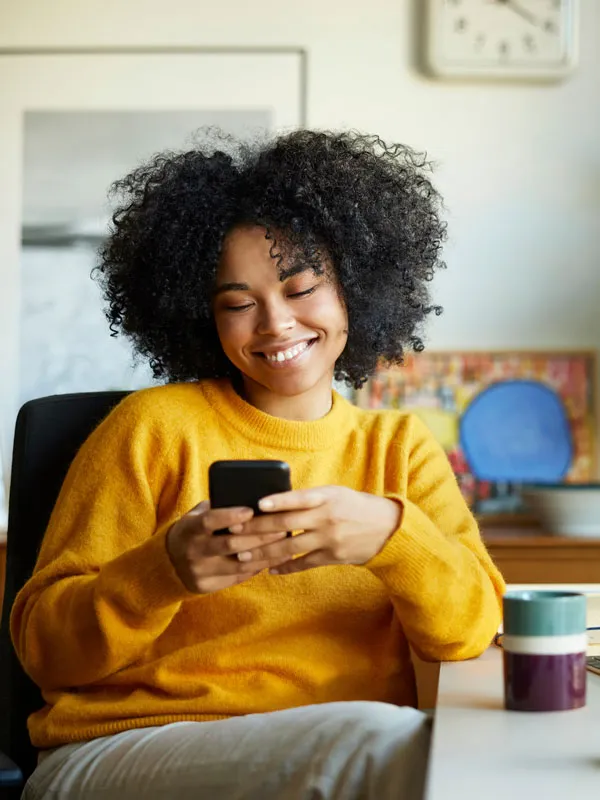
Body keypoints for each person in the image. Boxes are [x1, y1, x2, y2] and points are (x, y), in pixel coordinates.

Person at [11, 130, 505, 800]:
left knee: (439, 749)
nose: (275, 323)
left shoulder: (399, 448)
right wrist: (163, 571)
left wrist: (394, 537)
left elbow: (473, 631)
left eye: (302, 289)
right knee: (403, 746)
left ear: (356, 289)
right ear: (202, 318)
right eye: (238, 304)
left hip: (335, 757)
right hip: (121, 750)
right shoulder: (152, 428)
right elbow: (43, 649)